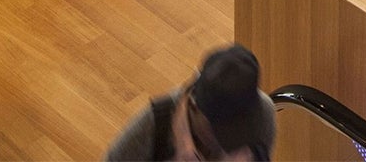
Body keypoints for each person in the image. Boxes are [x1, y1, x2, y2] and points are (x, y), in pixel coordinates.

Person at [104, 43, 277, 162]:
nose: (225, 146)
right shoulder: (157, 123)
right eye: (219, 130)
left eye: (238, 129)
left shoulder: (263, 115)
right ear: (194, 107)